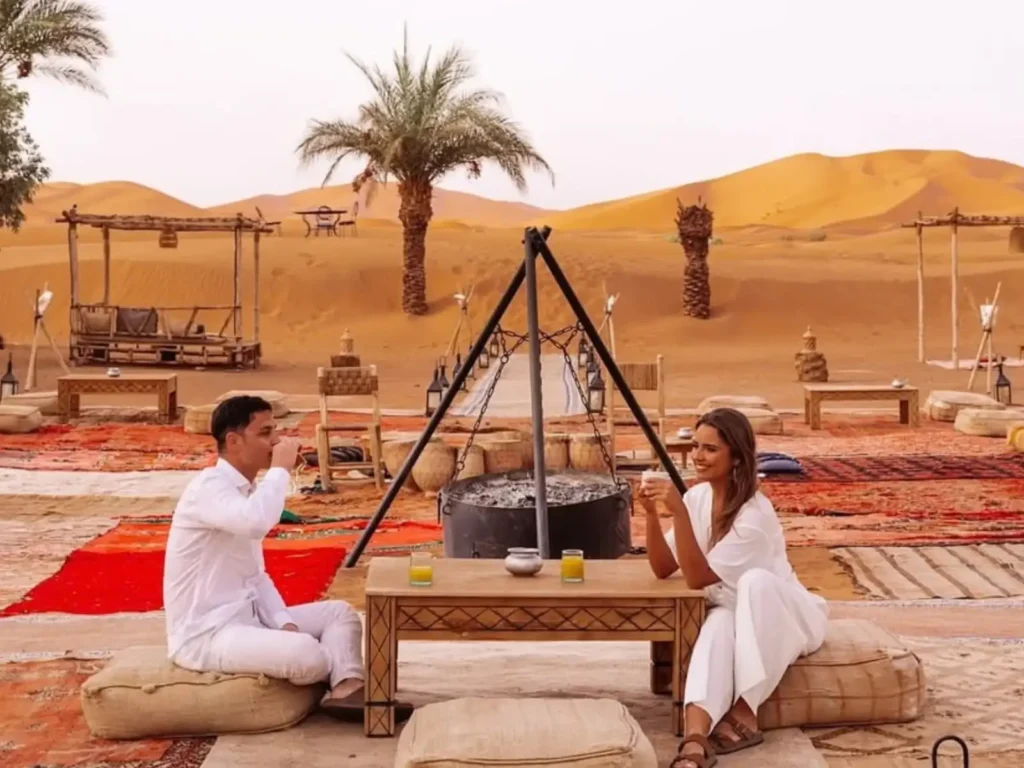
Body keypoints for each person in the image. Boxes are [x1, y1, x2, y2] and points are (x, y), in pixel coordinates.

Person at [163, 395, 411, 722]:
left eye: (275, 431)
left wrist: (284, 622)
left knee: (339, 613)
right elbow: (255, 522)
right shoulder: (208, 488)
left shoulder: (247, 491)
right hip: (206, 634)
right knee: (308, 654)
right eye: (265, 433)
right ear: (234, 441)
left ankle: (347, 687)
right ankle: (336, 671)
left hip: (246, 618)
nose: (277, 441)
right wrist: (279, 469)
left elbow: (255, 577)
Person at [639, 407, 828, 768]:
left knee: (754, 584)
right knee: (718, 625)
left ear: (737, 457)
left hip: (786, 615)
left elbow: (697, 578)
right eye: (695, 446)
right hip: (732, 607)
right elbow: (664, 568)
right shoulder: (698, 499)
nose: (697, 456)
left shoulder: (754, 517)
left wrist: (677, 512)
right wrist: (651, 514)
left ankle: (745, 711)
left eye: (710, 449)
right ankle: (695, 742)